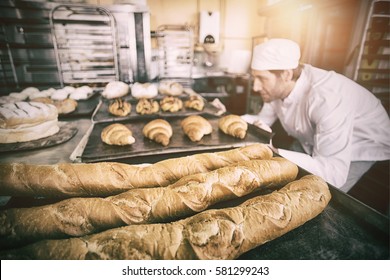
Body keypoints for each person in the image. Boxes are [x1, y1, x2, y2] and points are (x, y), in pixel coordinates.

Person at [241, 38, 390, 192]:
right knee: (282, 182)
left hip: (362, 143)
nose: (256, 87)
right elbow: (262, 119)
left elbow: (333, 172)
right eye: (255, 77)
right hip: (312, 137)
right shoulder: (277, 88)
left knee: (321, 193)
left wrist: (274, 152)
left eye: (262, 79)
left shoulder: (327, 98)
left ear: (286, 74)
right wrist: (226, 118)